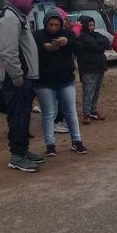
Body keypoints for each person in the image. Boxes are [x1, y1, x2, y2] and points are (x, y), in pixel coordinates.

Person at [0, 0, 45, 172]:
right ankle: (17, 156)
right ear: (22, 0)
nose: (33, 6)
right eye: (31, 2)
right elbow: (8, 52)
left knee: (23, 115)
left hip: (23, 76)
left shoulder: (17, 16)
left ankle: (22, 151)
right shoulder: (9, 19)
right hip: (16, 78)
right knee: (18, 116)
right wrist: (17, 77)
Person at [33, 8, 87, 156]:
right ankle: (50, 145)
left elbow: (80, 48)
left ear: (61, 24)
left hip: (65, 80)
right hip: (43, 81)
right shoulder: (37, 36)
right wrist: (43, 47)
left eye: (56, 25)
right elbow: (29, 52)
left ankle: (77, 141)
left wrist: (68, 42)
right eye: (50, 24)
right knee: (49, 113)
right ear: (45, 23)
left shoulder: (67, 34)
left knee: (70, 111)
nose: (53, 28)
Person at [76, 15, 110, 124]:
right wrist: (100, 46)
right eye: (89, 25)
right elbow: (93, 46)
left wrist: (100, 45)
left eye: (92, 25)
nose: (91, 27)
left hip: (99, 67)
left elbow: (106, 42)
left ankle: (93, 111)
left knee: (96, 92)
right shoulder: (82, 37)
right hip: (88, 68)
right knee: (88, 92)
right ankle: (86, 113)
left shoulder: (95, 34)